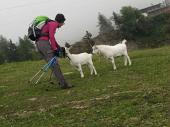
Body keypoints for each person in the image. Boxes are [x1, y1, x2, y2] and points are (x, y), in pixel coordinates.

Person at [35, 13, 73, 89]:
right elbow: (51, 37)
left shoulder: (49, 23)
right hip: (44, 44)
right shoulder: (53, 24)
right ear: (61, 21)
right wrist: (55, 49)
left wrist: (58, 47)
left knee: (51, 64)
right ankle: (64, 84)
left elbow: (52, 38)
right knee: (55, 64)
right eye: (63, 23)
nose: (62, 25)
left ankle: (61, 82)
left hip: (39, 44)